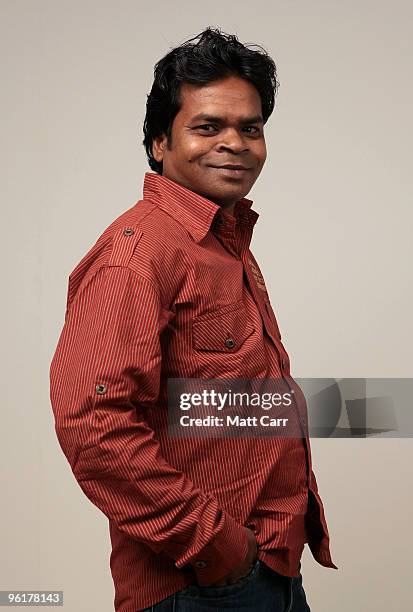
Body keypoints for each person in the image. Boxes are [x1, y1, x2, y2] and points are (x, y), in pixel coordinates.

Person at [49, 26, 337, 612]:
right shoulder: (138, 253)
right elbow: (92, 425)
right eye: (208, 127)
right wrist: (217, 547)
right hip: (200, 587)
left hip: (269, 570)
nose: (234, 143)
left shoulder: (225, 243)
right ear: (160, 142)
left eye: (250, 128)